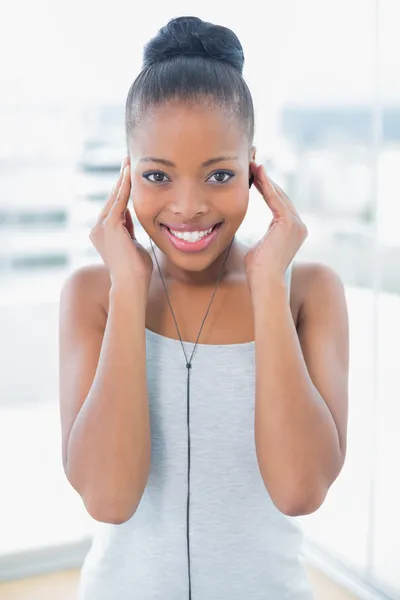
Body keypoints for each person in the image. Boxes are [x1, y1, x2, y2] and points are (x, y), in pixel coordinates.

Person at [58, 16, 349, 600]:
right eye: (157, 176)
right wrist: (128, 286)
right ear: (127, 177)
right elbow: (109, 499)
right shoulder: (95, 294)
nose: (187, 207)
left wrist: (268, 282)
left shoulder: (310, 292)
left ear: (254, 172)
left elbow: (300, 491)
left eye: (219, 174)